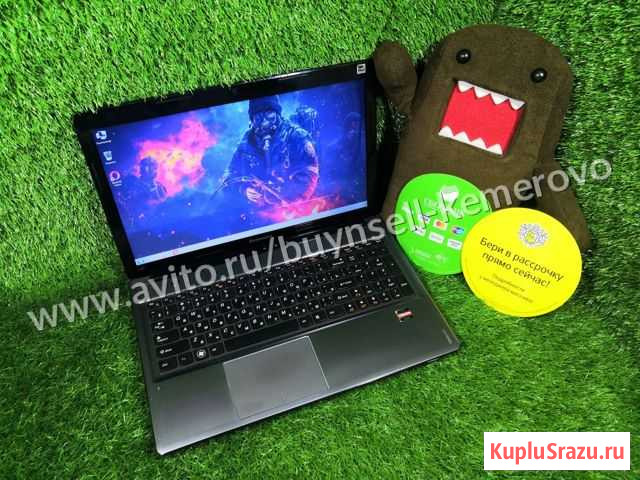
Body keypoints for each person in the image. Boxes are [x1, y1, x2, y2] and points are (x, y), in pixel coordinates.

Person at [222, 96, 319, 206]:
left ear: (277, 114)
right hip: (259, 209)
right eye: (258, 117)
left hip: (291, 207)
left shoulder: (296, 136)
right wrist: (244, 189)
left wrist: (284, 198)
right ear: (252, 120)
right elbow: (229, 175)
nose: (264, 122)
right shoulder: (247, 141)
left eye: (269, 115)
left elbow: (309, 176)